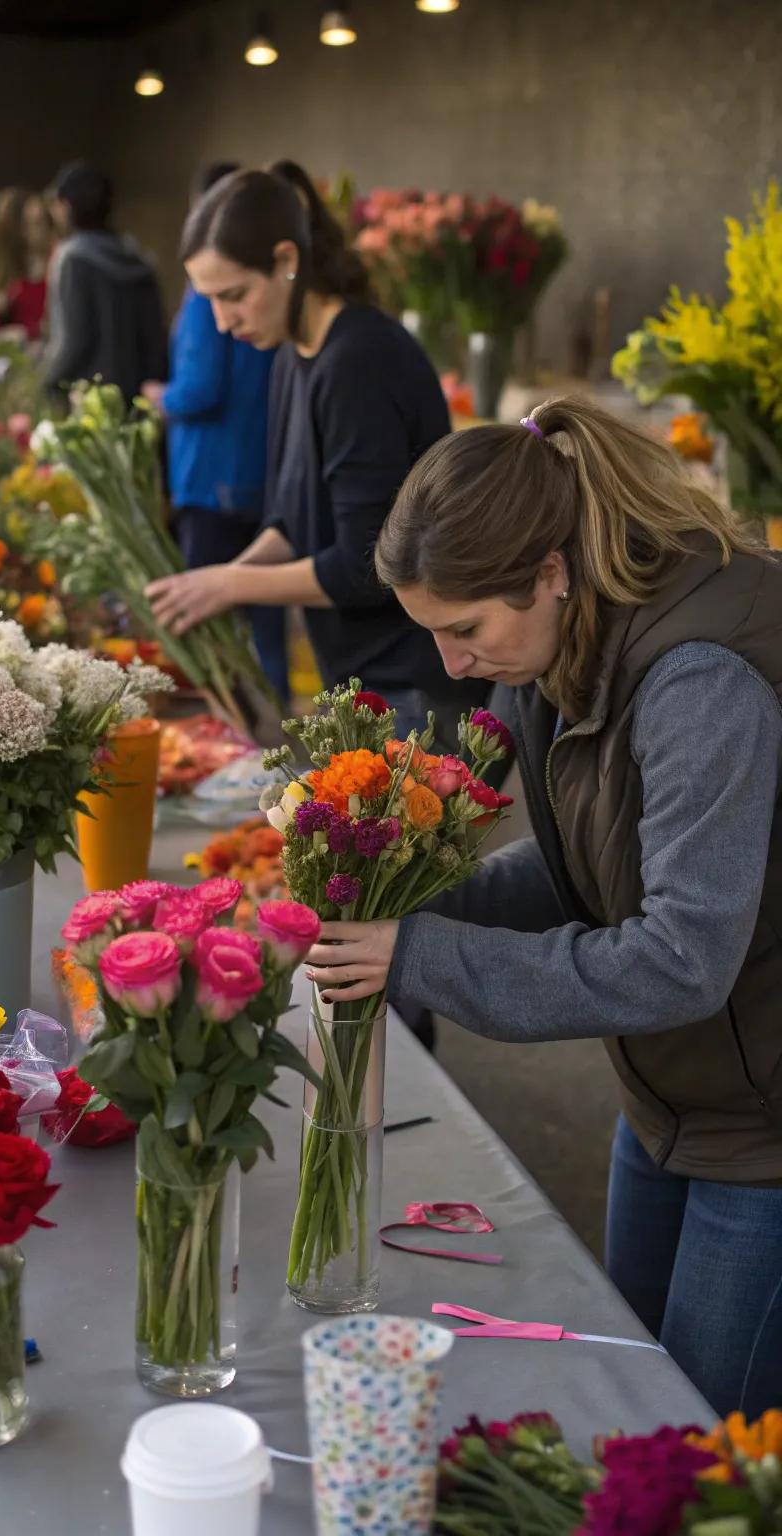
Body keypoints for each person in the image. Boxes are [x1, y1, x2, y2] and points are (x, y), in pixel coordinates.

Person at [303, 395, 782, 1417]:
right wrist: (403, 905)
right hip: (675, 1096)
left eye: (464, 629)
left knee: (702, 1442)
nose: (450, 665)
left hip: (767, 1122)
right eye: (429, 632)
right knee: (627, 1392)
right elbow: (580, 870)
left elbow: (680, 957)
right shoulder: (557, 650)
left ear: (550, 573)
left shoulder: (701, 677)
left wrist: (418, 956)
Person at [145, 161, 486, 744]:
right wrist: (219, 580)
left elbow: (364, 563)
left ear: (286, 261)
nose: (225, 322)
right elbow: (294, 521)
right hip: (362, 675)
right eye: (212, 303)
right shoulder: (291, 355)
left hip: (416, 679)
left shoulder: (358, 360)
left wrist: (229, 585)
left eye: (234, 296)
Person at [142, 160, 288, 703]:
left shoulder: (211, 286)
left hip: (211, 472)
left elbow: (201, 387)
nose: (227, 315)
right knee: (266, 619)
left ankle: (247, 741)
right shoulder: (257, 288)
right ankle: (279, 727)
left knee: (212, 617)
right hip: (257, 465)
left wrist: (162, 398)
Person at [42, 162, 166, 400]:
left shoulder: (73, 260)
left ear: (65, 206)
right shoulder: (136, 257)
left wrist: (48, 380)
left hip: (94, 400)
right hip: (139, 395)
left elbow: (74, 340)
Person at [0, 185, 52, 340]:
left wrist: (29, 332)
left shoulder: (58, 266)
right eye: (35, 224)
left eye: (46, 221)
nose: (44, 231)